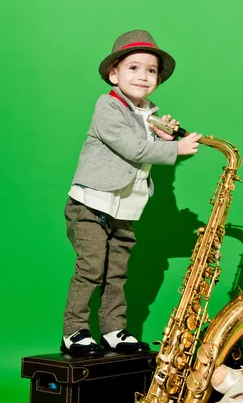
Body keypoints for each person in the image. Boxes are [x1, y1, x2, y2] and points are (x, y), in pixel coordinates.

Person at [61, 29, 202, 356]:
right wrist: (176, 150)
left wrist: (165, 140)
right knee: (91, 269)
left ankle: (113, 330)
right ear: (114, 74)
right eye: (133, 68)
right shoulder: (107, 107)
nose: (143, 76)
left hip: (125, 208)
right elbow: (131, 148)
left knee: (118, 272)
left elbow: (146, 147)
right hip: (90, 204)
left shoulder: (149, 113)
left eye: (151, 70)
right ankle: (74, 332)